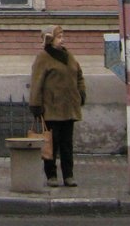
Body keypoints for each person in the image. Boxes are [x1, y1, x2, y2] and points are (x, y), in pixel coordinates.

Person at [28, 24, 85, 187]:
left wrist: (81, 93)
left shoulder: (69, 56)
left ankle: (68, 175)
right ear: (49, 39)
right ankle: (51, 176)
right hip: (51, 109)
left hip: (69, 108)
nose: (62, 40)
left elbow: (79, 75)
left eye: (62, 36)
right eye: (59, 37)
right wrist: (36, 105)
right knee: (51, 144)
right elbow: (36, 82)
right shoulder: (43, 57)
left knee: (67, 144)